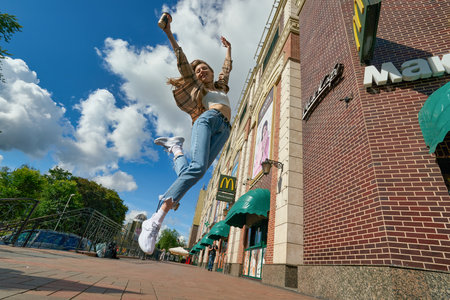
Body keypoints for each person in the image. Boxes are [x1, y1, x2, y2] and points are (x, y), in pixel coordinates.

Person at [139, 13, 232, 255]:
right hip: (207, 120)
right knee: (199, 168)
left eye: (205, 70)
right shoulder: (198, 87)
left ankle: (175, 149)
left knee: (193, 171)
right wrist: (169, 32)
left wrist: (229, 51)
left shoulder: (220, 86)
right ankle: (157, 217)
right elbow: (182, 61)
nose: (202, 73)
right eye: (198, 71)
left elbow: (226, 71)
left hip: (225, 130)